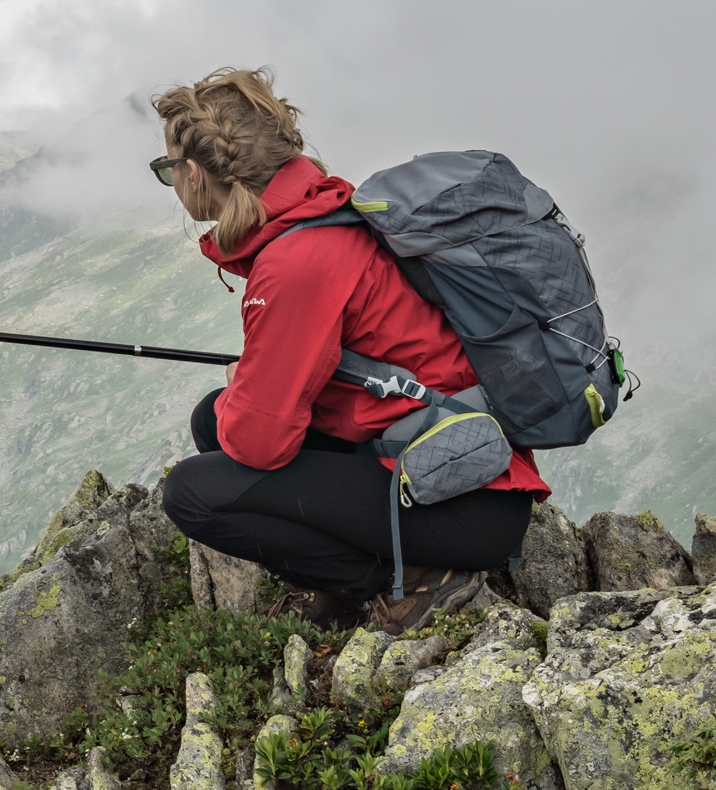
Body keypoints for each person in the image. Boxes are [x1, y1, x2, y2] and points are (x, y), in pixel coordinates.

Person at [147, 65, 545, 628]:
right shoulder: (326, 214)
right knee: (212, 419)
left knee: (191, 492)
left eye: (167, 170)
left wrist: (250, 391)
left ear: (192, 173)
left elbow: (262, 444)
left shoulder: (296, 262)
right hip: (447, 459)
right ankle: (371, 566)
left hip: (460, 499)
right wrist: (249, 391)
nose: (172, 181)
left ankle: (392, 581)